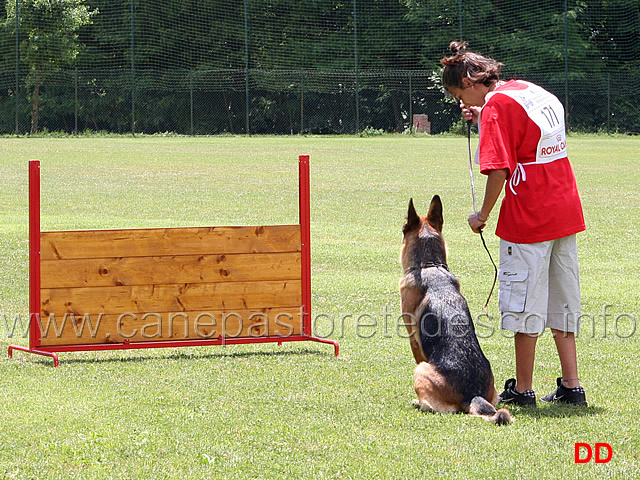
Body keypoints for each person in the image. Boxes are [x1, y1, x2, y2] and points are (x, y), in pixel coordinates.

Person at [440, 41, 587, 407]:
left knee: (524, 306)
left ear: (471, 81)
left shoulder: (494, 110)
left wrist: (483, 215)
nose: (465, 104)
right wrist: (484, 114)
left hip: (529, 217)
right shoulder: (528, 90)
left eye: (461, 94)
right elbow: (526, 133)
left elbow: (500, 171)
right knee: (562, 303)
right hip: (564, 208)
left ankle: (522, 390)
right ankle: (572, 386)